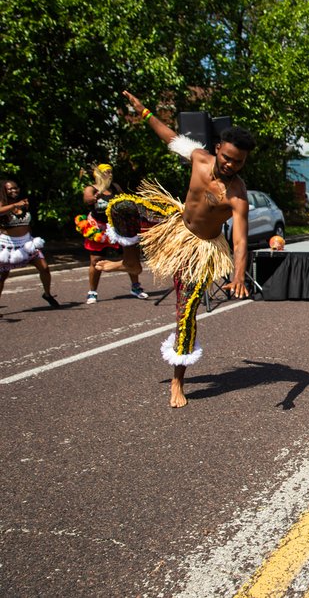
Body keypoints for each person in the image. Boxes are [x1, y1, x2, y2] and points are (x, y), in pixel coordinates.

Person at [101, 90, 253, 408]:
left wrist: (239, 275)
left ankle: (177, 381)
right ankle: (129, 262)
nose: (230, 165)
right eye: (227, 158)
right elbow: (169, 136)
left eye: (238, 162)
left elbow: (240, 241)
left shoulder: (238, 195)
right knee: (121, 206)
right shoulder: (199, 158)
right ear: (217, 149)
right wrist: (143, 111)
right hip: (174, 226)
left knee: (186, 313)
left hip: (202, 251)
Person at [78, 164, 148, 304]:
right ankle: (92, 292)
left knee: (130, 256)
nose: (110, 174)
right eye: (107, 172)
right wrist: (96, 196)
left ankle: (136, 287)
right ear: (98, 174)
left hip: (118, 226)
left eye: (111, 172)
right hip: (99, 227)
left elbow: (125, 199)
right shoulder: (91, 188)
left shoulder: (115, 187)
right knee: (96, 260)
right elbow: (87, 200)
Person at [0, 179, 59, 313]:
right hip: (8, 246)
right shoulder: (5, 205)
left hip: (27, 244)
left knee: (44, 268)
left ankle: (47, 294)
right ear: (4, 191)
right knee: (2, 276)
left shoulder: (22, 204)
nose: (14, 190)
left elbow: (27, 224)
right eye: (10, 188)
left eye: (16, 188)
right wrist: (15, 205)